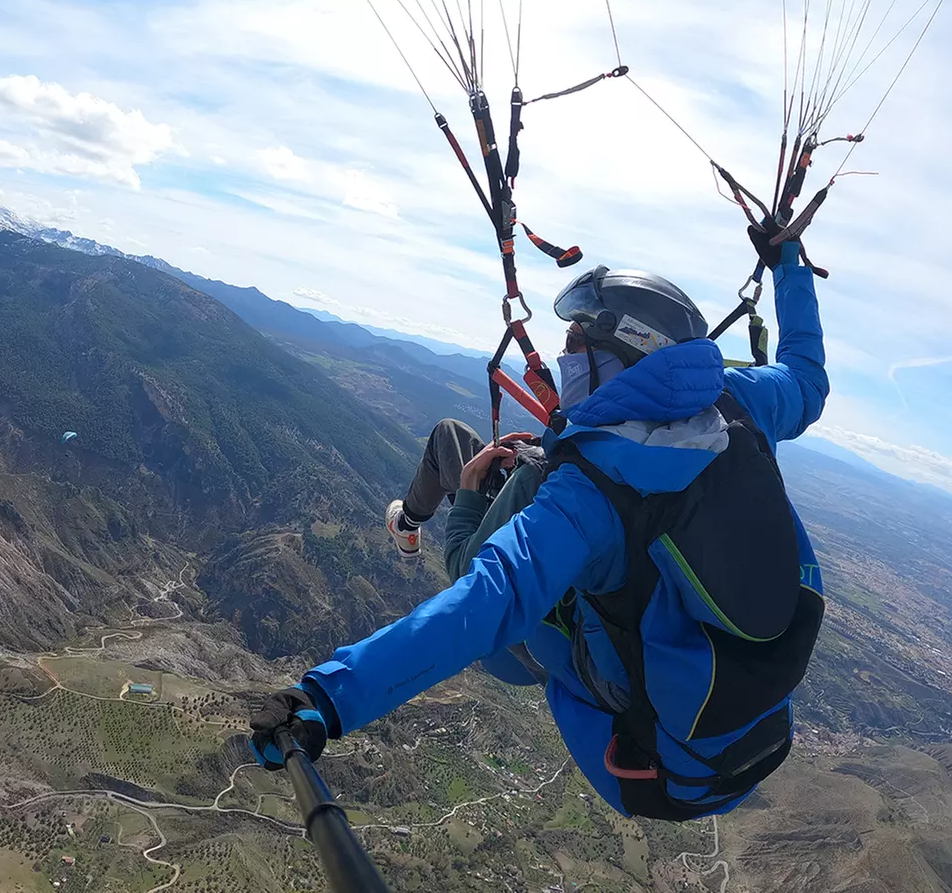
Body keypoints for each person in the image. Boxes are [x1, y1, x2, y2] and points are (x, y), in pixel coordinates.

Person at [249, 229, 829, 821]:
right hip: (756, 738)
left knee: (513, 617)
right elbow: (807, 378)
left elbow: (481, 601)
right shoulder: (743, 402)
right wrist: (789, 267)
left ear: (622, 352)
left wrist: (325, 697)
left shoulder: (590, 494)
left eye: (575, 344)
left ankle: (416, 523)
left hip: (653, 769)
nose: (565, 358)